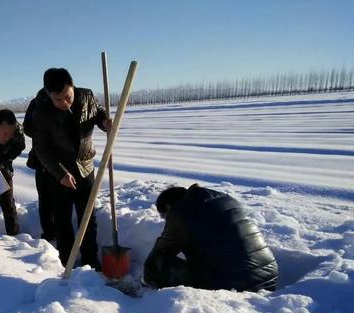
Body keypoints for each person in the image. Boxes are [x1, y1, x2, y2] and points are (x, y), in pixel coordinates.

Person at [31, 68, 111, 269]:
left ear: (73, 87)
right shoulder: (42, 112)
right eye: (58, 99)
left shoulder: (86, 96)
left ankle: (91, 261)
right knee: (62, 220)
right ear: (49, 94)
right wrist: (60, 174)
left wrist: (104, 122)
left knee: (88, 218)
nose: (64, 102)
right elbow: (41, 149)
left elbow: (98, 112)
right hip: (58, 172)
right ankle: (66, 263)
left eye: (67, 96)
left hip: (85, 166)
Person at [144, 184, 279, 292]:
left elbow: (163, 249)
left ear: (168, 206)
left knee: (158, 262)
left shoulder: (180, 211)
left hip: (232, 283)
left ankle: (150, 293)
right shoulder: (226, 198)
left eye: (164, 216)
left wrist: (148, 273)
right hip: (269, 277)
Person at [23, 93, 55, 242]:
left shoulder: (63, 99)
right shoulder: (37, 101)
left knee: (55, 199)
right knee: (45, 199)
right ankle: (49, 233)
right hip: (42, 158)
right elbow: (27, 128)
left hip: (60, 157)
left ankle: (54, 232)